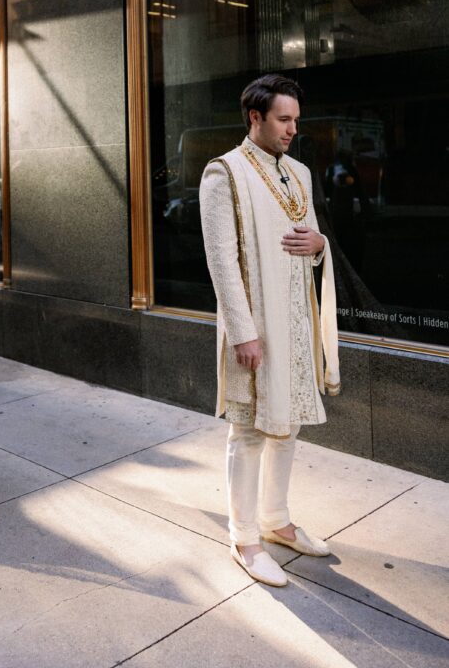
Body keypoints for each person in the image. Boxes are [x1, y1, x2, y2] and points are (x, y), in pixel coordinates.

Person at [199, 74, 340, 587]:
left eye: (296, 121)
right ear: (255, 117)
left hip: (297, 324)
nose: (292, 130)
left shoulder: (298, 172)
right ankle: (244, 537)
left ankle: (277, 521)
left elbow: (314, 243)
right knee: (250, 429)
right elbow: (221, 261)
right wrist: (243, 332)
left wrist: (321, 244)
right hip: (255, 327)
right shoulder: (224, 173)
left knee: (289, 424)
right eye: (284, 119)